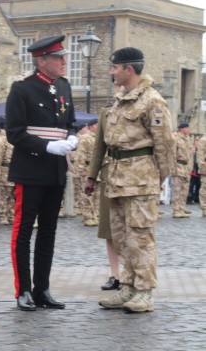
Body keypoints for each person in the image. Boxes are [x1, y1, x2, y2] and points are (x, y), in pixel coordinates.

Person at [86, 47, 174, 313]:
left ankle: (145, 292)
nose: (111, 72)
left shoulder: (152, 101)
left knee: (141, 238)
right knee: (122, 237)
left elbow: (165, 144)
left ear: (129, 69)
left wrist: (158, 177)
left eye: (115, 68)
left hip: (140, 179)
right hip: (116, 179)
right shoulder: (120, 99)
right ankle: (128, 287)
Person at [6, 35, 77, 311]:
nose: (64, 62)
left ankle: (42, 288)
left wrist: (71, 138)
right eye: (58, 58)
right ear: (41, 61)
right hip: (31, 168)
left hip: (55, 170)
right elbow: (15, 134)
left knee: (49, 231)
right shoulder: (22, 90)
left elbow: (69, 122)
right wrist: (48, 146)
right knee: (23, 231)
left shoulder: (63, 87)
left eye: (63, 57)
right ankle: (22, 289)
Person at [86, 106, 121, 291]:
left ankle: (133, 275)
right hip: (109, 175)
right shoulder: (106, 112)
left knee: (135, 229)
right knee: (109, 229)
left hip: (137, 175)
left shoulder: (146, 105)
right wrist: (92, 176)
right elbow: (99, 147)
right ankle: (115, 275)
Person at [75, 118, 100, 226]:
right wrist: (81, 169)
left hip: (100, 170)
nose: (99, 127)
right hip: (88, 169)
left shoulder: (101, 138)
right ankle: (88, 216)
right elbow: (81, 154)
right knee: (87, 193)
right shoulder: (85, 138)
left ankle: (97, 215)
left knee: (98, 195)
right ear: (90, 127)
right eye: (96, 125)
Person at [171, 122, 192, 218]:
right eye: (187, 128)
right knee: (177, 190)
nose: (189, 130)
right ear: (182, 129)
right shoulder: (176, 139)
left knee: (184, 190)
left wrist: (190, 168)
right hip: (178, 166)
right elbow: (172, 155)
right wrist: (173, 169)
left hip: (186, 168)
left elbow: (190, 155)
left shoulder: (188, 139)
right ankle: (176, 210)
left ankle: (181, 208)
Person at [187, 137, 200, 204]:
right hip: (192, 169)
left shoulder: (201, 149)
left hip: (199, 169)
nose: (197, 142)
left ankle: (197, 198)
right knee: (191, 185)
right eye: (196, 140)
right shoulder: (191, 148)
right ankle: (189, 198)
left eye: (198, 140)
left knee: (199, 185)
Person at [197, 135, 206, 216]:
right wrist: (203, 168)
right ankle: (204, 208)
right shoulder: (203, 140)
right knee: (204, 189)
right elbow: (200, 155)